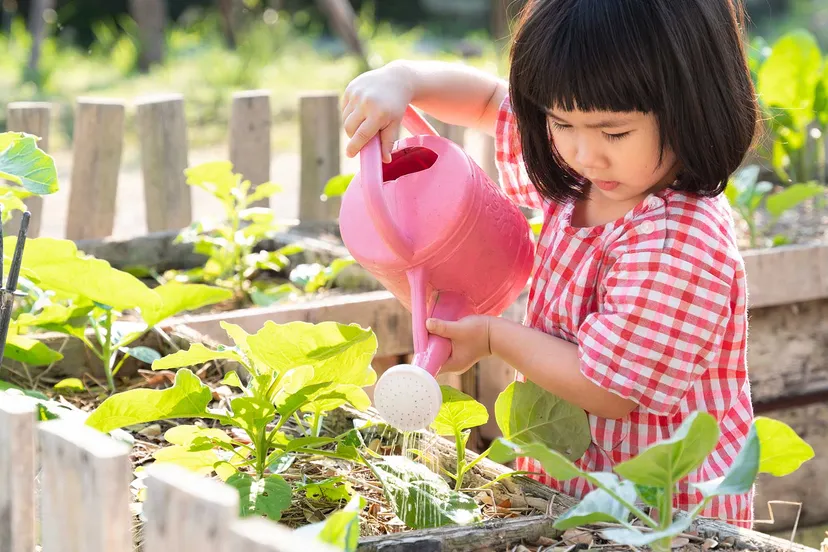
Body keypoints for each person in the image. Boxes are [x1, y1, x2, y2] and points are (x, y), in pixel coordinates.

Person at [340, 0, 758, 529]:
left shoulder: (680, 241)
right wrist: (403, 80)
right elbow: (493, 102)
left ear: (694, 107)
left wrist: (495, 337)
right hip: (574, 493)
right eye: (561, 122)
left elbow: (610, 390)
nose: (585, 153)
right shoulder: (585, 175)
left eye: (614, 133)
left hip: (664, 517)